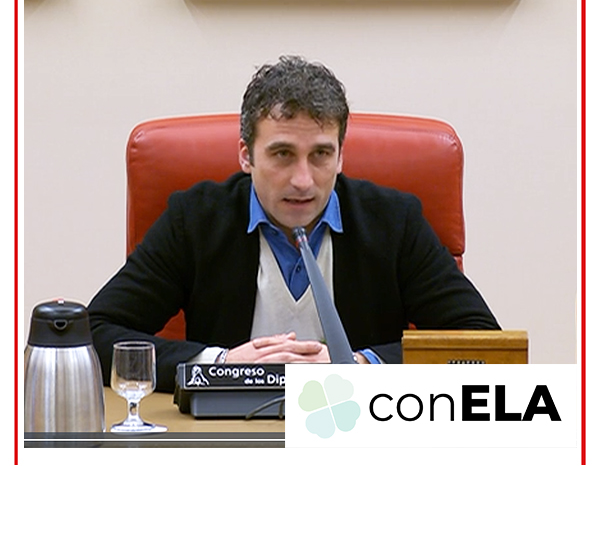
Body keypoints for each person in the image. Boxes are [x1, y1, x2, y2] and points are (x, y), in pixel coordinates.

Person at [88, 55, 500, 392]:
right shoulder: (195, 219)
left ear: (341, 156)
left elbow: (483, 345)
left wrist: (360, 365)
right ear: (246, 156)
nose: (303, 180)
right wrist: (221, 364)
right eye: (282, 154)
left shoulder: (394, 221)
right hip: (228, 432)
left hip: (355, 429)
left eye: (320, 155)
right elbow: (95, 332)